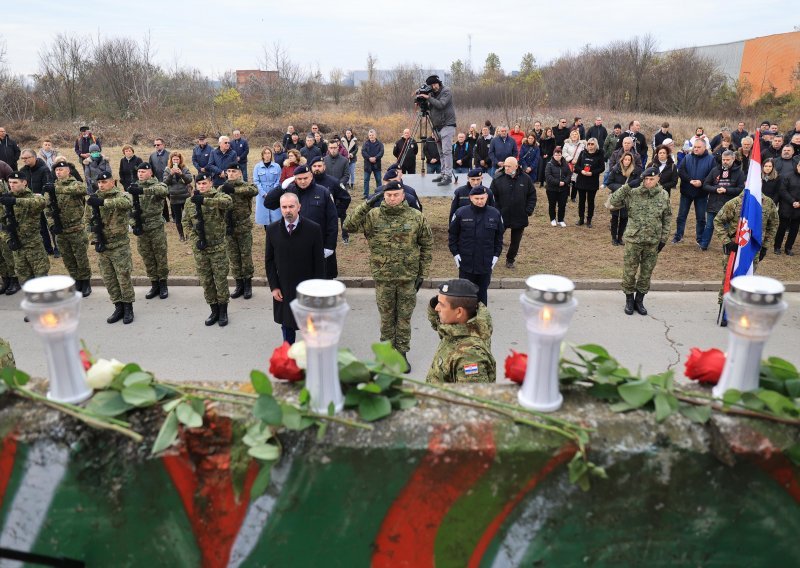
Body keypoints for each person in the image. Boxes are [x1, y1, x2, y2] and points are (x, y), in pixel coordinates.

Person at [343, 180, 432, 370]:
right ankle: (385, 355)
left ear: (403, 196)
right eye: (388, 195)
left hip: (408, 278)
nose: (392, 199)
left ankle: (401, 355)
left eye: (396, 195)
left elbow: (427, 245)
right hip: (383, 278)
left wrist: (421, 274)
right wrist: (368, 202)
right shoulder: (373, 215)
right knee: (386, 318)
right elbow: (348, 225)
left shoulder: (416, 217)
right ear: (383, 196)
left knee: (404, 318)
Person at [607, 167, 671, 316]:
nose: (648, 182)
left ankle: (639, 300)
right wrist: (628, 185)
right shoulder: (633, 192)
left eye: (652, 179)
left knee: (646, 273)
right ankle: (629, 299)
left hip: (653, 240)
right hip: (634, 239)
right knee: (629, 271)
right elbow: (613, 201)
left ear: (658, 179)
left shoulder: (663, 195)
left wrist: (663, 239)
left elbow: (667, 218)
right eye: (646, 179)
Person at [266, 192, 325, 343]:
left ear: (299, 207)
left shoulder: (313, 229)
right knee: (287, 325)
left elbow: (319, 262)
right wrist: (274, 287)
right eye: (284, 207)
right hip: (284, 287)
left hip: (307, 288)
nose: (288, 210)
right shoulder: (272, 230)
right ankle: (289, 355)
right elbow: (270, 261)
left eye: (291, 206)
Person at [714, 190, 778, 324]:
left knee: (747, 281)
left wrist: (765, 246)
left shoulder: (768, 203)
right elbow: (718, 221)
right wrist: (727, 241)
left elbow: (773, 224)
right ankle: (724, 311)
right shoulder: (736, 202)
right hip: (735, 249)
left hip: (752, 250)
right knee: (729, 278)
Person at [264, 165, 338, 279]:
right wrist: (281, 188)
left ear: (311, 176)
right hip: (295, 245)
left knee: (321, 280)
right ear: (294, 179)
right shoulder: (289, 191)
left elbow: (332, 221)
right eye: (299, 179)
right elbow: (268, 203)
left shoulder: (323, 192)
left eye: (305, 178)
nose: (303, 181)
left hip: (318, 245)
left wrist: (330, 246)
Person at [183, 173, 233, 327]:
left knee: (220, 280)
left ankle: (223, 311)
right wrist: (195, 239)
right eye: (199, 184)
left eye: (205, 183)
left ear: (211, 183)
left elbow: (228, 203)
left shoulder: (219, 197)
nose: (202, 186)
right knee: (206, 281)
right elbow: (186, 222)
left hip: (217, 246)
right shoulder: (189, 202)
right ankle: (214, 310)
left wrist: (205, 200)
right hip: (200, 248)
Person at [426, 279, 496, 384]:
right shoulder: (459, 328)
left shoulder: (470, 357)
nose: (436, 308)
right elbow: (439, 324)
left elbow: (471, 399)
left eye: (441, 304)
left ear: (459, 312)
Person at [87, 172, 135, 324]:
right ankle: (118, 306)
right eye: (99, 182)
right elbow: (88, 221)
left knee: (123, 277)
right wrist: (94, 240)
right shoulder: (93, 199)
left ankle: (128, 308)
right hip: (103, 246)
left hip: (119, 245)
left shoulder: (121, 196)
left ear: (112, 182)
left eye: (104, 182)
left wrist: (103, 203)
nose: (100, 184)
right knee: (109, 279)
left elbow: (126, 203)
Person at [448, 185, 503, 305]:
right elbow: (453, 235)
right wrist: (455, 253)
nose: (479, 201)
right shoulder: (461, 213)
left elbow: (499, 238)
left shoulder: (495, 214)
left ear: (487, 197)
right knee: (465, 295)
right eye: (477, 198)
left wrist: (496, 255)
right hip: (466, 262)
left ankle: (481, 321)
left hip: (485, 263)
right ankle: (465, 321)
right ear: (471, 198)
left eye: (482, 198)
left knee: (482, 296)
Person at [47, 160, 92, 296]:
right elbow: (47, 209)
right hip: (60, 230)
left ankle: (85, 282)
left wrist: (57, 189)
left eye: (61, 170)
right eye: (56, 171)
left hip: (76, 228)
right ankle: (76, 280)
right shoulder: (51, 187)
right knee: (68, 258)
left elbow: (83, 190)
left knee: (80, 257)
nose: (58, 172)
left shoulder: (75, 184)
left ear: (68, 171)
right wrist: (52, 225)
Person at [128, 163, 170, 300]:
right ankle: (154, 284)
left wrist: (142, 191)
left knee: (160, 256)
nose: (140, 174)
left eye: (143, 171)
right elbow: (129, 210)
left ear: (150, 172)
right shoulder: (134, 187)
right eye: (139, 171)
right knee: (147, 257)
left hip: (156, 227)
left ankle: (163, 284)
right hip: (141, 228)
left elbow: (163, 191)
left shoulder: (158, 185)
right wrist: (133, 224)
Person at [0, 172, 49, 284]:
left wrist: (15, 201)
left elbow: (40, 202)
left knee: (41, 277)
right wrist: (8, 239)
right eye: (10, 182)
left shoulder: (32, 197)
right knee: (25, 279)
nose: (12, 185)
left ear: (24, 183)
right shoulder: (6, 200)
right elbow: (3, 224)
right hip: (17, 245)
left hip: (33, 245)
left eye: (15, 182)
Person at [490, 157, 537, 269]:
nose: (506, 168)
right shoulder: (498, 178)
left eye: (509, 166)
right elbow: (492, 196)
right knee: (495, 238)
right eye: (505, 166)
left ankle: (510, 260)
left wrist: (528, 210)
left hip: (519, 215)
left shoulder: (526, 179)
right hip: (502, 215)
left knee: (515, 241)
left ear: (516, 166)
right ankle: (491, 258)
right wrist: (496, 211)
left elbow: (532, 195)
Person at [220, 165, 258, 299]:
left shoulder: (246, 186)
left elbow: (254, 190)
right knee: (234, 257)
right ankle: (239, 284)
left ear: (240, 173)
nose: (230, 174)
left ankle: (248, 285)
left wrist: (234, 190)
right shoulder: (222, 188)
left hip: (243, 227)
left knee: (245, 256)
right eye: (228, 171)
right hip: (229, 228)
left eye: (233, 171)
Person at [699, 150, 745, 251]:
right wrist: (715, 189)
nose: (725, 161)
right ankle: (704, 245)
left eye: (728, 160)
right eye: (724, 159)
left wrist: (726, 190)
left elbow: (741, 189)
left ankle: (727, 247)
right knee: (709, 226)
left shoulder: (739, 173)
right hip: (713, 203)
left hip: (729, 205)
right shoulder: (715, 170)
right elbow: (705, 185)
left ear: (733, 159)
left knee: (728, 228)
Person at [672, 140, 716, 245]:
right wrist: (690, 180)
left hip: (702, 193)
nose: (696, 149)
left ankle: (699, 238)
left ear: (705, 148)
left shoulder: (711, 159)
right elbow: (681, 171)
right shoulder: (687, 158)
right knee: (681, 216)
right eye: (694, 147)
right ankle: (678, 236)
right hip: (686, 191)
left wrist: (702, 182)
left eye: (698, 147)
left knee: (700, 217)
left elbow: (713, 174)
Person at [417, 75, 456, 186]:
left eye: (435, 84)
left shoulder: (446, 91)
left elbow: (441, 104)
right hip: (437, 127)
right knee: (441, 152)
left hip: (447, 125)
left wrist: (428, 97)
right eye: (431, 85)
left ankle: (448, 176)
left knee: (447, 151)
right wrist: (422, 102)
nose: (433, 87)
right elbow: (431, 108)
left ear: (439, 83)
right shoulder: (432, 94)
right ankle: (443, 173)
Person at [19, 149, 56, 257]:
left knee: (51, 225)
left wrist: (41, 195)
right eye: (23, 158)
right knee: (40, 227)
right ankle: (47, 248)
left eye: (26, 158)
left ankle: (57, 248)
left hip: (45, 202)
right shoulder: (23, 171)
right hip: (32, 204)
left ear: (34, 157)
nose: (24, 160)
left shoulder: (44, 169)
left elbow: (48, 185)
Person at [309, 156, 351, 245]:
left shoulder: (333, 182)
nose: (317, 168)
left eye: (319, 166)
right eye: (314, 166)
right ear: (311, 168)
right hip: (310, 220)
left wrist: (336, 212)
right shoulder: (306, 182)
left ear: (324, 167)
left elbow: (346, 198)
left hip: (328, 221)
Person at [606, 152, 642, 246]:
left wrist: (630, 188)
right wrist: (621, 187)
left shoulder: (635, 171)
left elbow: (638, 184)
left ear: (631, 161)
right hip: (616, 197)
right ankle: (614, 238)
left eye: (629, 160)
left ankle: (620, 238)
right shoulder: (615, 169)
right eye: (625, 159)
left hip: (628, 198)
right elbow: (609, 183)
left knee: (624, 218)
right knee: (614, 218)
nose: (627, 161)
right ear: (622, 160)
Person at [574, 138, 604, 227]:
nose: (590, 146)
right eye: (589, 144)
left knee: (591, 202)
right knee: (581, 201)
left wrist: (592, 173)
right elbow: (577, 166)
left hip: (592, 181)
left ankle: (589, 220)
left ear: (595, 145)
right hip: (581, 180)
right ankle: (581, 219)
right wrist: (581, 171)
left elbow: (602, 167)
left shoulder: (599, 154)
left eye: (592, 144)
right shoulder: (583, 153)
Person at [164, 152, 193, 242]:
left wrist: (181, 174)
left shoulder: (184, 168)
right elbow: (165, 182)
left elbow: (189, 180)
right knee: (178, 218)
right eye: (174, 159)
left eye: (177, 159)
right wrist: (171, 174)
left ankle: (188, 233)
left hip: (185, 196)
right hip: (174, 196)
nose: (175, 161)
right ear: (171, 160)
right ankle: (181, 235)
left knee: (187, 216)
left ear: (180, 160)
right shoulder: (168, 169)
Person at [253, 146, 282, 230]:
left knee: (275, 215)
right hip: (262, 194)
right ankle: (267, 232)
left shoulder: (276, 166)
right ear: (262, 155)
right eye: (265, 153)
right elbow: (256, 181)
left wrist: (274, 193)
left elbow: (279, 180)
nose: (267, 155)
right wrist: (263, 193)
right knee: (264, 216)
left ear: (271, 154)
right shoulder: (257, 167)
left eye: (269, 153)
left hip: (274, 192)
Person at [774, 160, 800, 256]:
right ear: (797, 166)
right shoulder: (787, 176)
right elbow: (782, 190)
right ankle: (777, 246)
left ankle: (788, 248)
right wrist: (792, 201)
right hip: (786, 205)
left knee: (794, 229)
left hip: (798, 209)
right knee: (782, 228)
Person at [545, 146, 571, 228]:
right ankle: (552, 219)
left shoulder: (565, 164)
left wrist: (565, 182)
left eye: (559, 155)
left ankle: (560, 220)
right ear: (553, 155)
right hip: (552, 189)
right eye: (556, 155)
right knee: (552, 204)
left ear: (561, 155)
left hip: (563, 189)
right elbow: (548, 176)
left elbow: (569, 174)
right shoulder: (549, 164)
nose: (558, 156)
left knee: (562, 205)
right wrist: (558, 183)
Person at [562, 128, 585, 202]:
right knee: (567, 180)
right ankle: (565, 195)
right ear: (570, 136)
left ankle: (573, 197)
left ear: (578, 136)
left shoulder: (582, 145)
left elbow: (583, 154)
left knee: (575, 181)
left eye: (576, 134)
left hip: (578, 165)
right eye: (573, 134)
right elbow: (564, 153)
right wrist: (571, 159)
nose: (574, 136)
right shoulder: (567, 144)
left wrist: (577, 161)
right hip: (568, 164)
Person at [361, 129, 384, 198]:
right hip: (368, 165)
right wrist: (369, 158)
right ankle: (365, 194)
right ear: (368, 136)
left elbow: (381, 152)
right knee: (366, 180)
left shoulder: (380, 144)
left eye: (372, 135)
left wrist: (375, 158)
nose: (371, 136)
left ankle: (380, 193)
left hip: (377, 165)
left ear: (375, 135)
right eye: (370, 135)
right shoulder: (365, 144)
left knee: (378, 180)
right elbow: (363, 152)